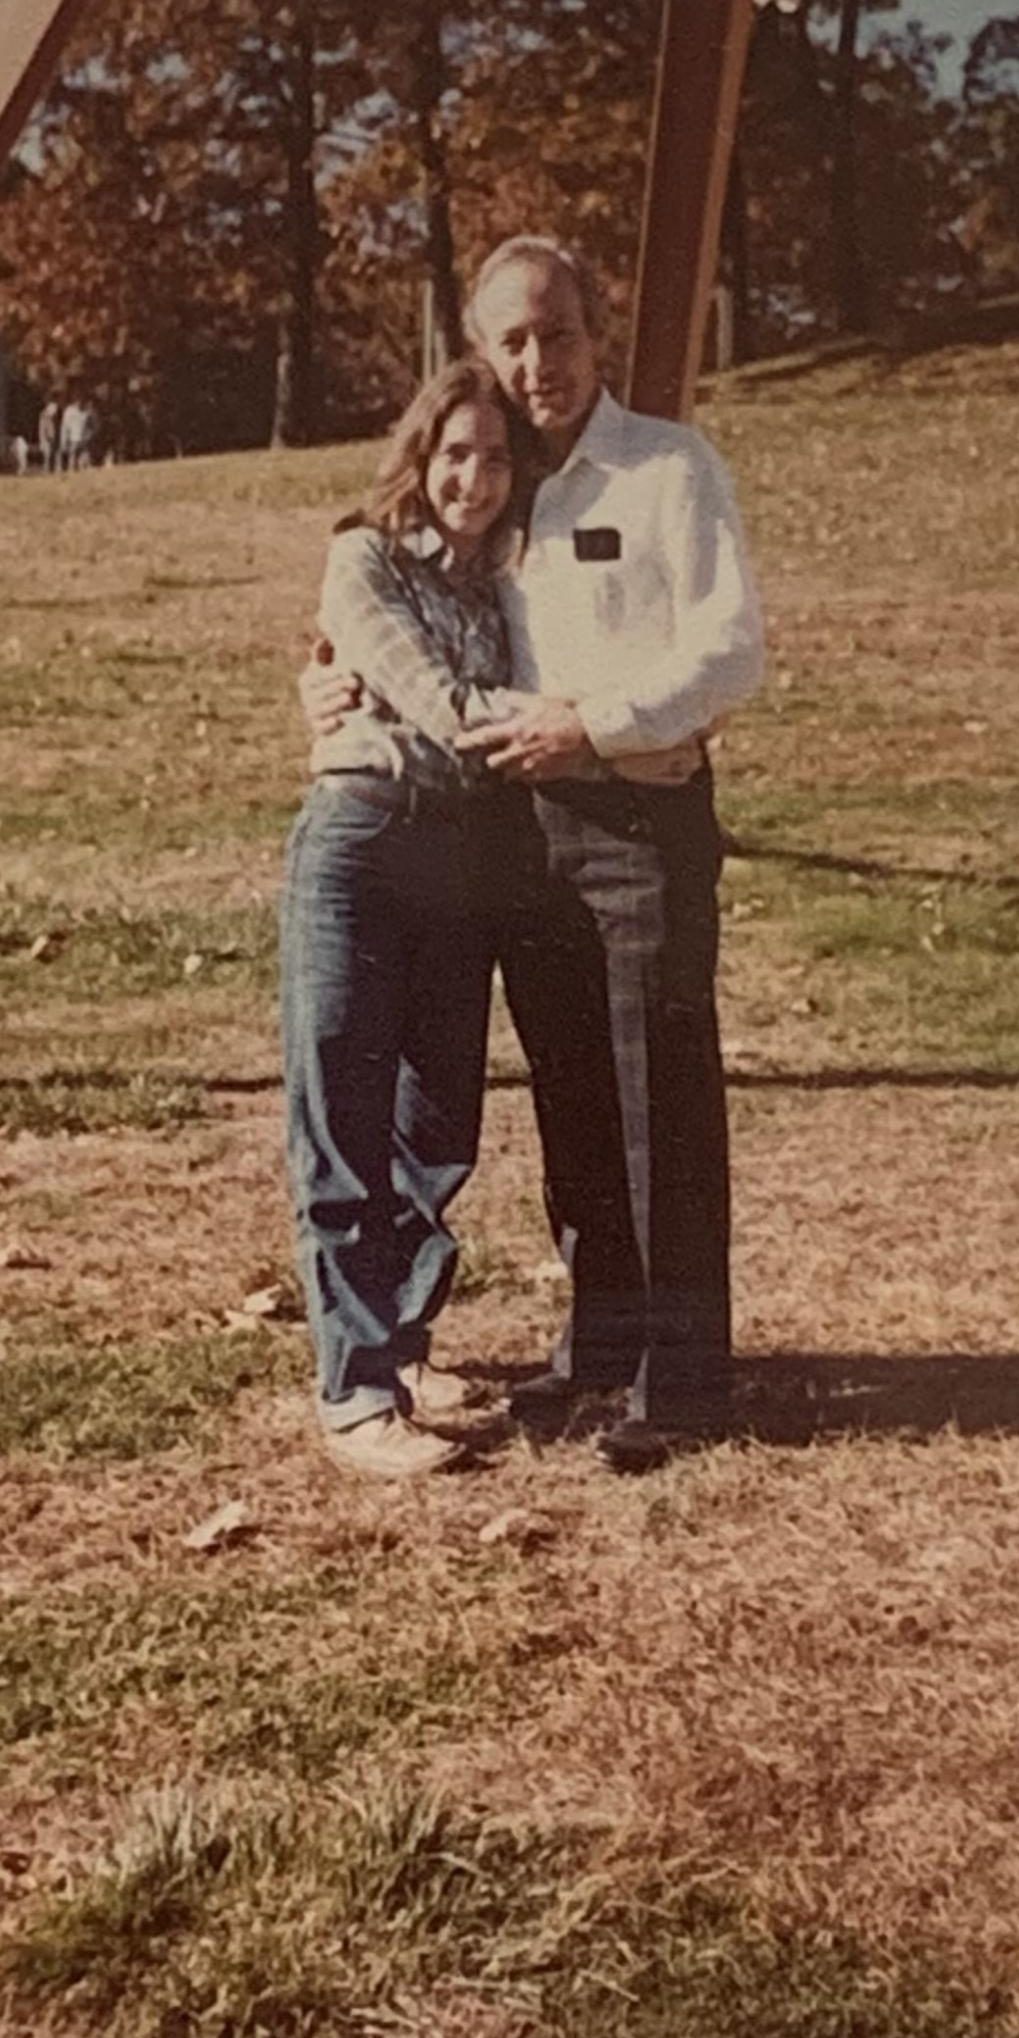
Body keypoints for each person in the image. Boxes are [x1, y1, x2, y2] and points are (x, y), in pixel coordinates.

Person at [303, 235, 764, 1472]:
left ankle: (686, 1376)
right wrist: (328, 685)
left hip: (640, 821)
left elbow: (732, 651)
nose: (535, 360)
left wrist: (595, 724)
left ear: (595, 330)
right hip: (518, 835)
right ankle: (604, 1347)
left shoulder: (666, 468)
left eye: (555, 332)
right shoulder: (497, 486)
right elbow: (400, 605)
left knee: (658, 1092)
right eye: (509, 340)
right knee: (573, 1102)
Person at [281, 357, 531, 1480]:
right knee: (343, 1113)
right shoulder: (361, 555)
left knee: (438, 1126)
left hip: (463, 859)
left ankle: (407, 1342)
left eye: (496, 456)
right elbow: (431, 695)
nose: (474, 478)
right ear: (420, 457)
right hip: (361, 841)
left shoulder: (507, 587)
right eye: (456, 453)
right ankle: (355, 1394)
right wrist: (562, 717)